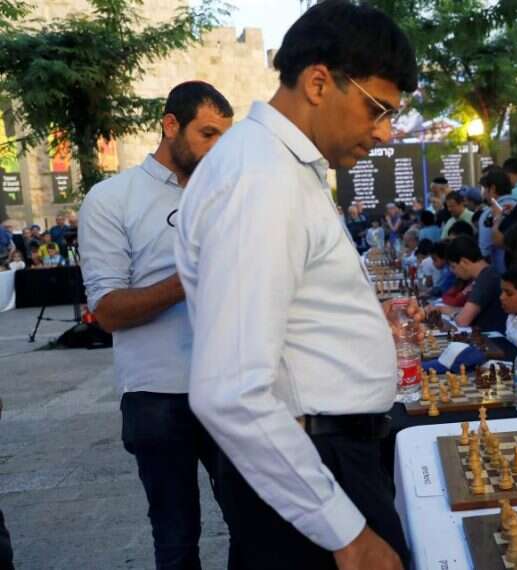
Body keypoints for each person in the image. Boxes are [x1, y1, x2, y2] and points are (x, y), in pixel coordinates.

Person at [173, 2, 419, 568]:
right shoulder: (261, 178)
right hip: (312, 467)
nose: (383, 133)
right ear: (317, 82)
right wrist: (346, 534)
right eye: (376, 109)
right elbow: (231, 390)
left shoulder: (279, 168)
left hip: (324, 457)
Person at [79, 80, 235, 570]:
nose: (216, 149)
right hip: (156, 396)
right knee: (175, 536)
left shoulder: (231, 194)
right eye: (207, 134)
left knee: (257, 524)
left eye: (223, 139)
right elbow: (107, 310)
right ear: (170, 126)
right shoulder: (112, 198)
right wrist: (189, 276)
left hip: (234, 388)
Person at [439, 235, 507, 332]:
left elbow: (463, 320)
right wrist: (444, 309)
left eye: (453, 267)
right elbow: (467, 310)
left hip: (491, 340)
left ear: (464, 262)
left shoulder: (486, 278)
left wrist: (452, 313)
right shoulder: (488, 273)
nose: (454, 272)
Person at [478, 167, 516, 267]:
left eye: (484, 188)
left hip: (500, 275)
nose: (483, 193)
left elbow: (485, 251)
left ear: (493, 188)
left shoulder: (488, 214)